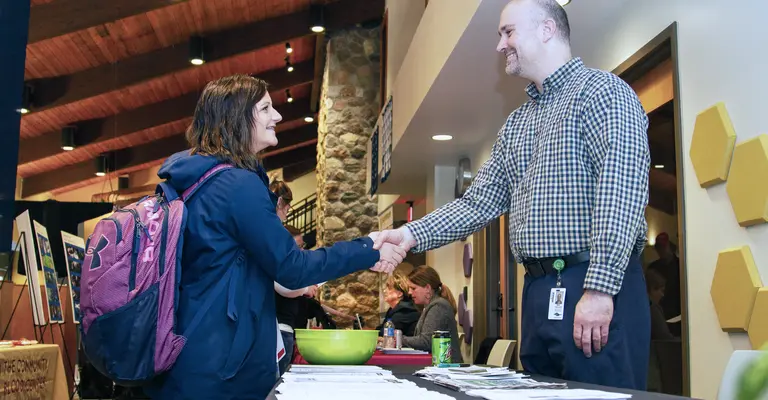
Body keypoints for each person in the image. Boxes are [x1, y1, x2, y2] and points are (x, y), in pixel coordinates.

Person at [372, 0, 651, 390]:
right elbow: (477, 202)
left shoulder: (603, 92)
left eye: (508, 32)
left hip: (594, 284)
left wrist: (600, 288)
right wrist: (408, 235)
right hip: (538, 291)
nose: (500, 45)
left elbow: (621, 189)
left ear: (547, 29)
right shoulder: (517, 124)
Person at [144, 74, 405, 399]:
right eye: (266, 107)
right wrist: (369, 248)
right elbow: (292, 267)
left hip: (191, 359)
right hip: (221, 370)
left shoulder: (198, 182)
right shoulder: (236, 185)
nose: (278, 116)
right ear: (239, 116)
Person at [274, 224, 316, 376]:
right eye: (298, 246)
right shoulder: (278, 263)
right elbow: (285, 288)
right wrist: (306, 289)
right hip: (279, 330)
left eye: (302, 245)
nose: (302, 250)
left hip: (286, 329)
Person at [396, 266, 461, 362]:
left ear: (427, 288)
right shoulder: (430, 306)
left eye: (413, 288)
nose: (409, 292)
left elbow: (426, 341)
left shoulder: (439, 306)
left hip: (445, 369)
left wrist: (397, 339)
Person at [375, 271, 420, 336]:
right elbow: (381, 328)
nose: (385, 290)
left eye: (389, 288)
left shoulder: (405, 311)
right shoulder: (393, 310)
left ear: (400, 293)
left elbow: (384, 333)